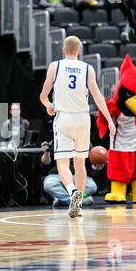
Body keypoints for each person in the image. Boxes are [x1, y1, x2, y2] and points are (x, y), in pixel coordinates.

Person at [40, 36, 116, 218]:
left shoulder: (55, 66)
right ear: (79, 50)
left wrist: (48, 105)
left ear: (63, 50)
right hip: (83, 119)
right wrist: (110, 120)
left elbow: (43, 95)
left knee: (63, 163)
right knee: (80, 163)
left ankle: (72, 190)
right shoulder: (87, 68)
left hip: (64, 119)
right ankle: (79, 203)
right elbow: (97, 95)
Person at [41, 141, 98, 207]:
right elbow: (46, 163)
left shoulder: (85, 141)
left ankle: (62, 201)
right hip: (57, 176)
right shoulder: (58, 139)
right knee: (49, 184)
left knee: (92, 186)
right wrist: (46, 153)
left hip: (78, 176)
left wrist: (95, 167)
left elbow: (91, 168)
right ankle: (79, 201)